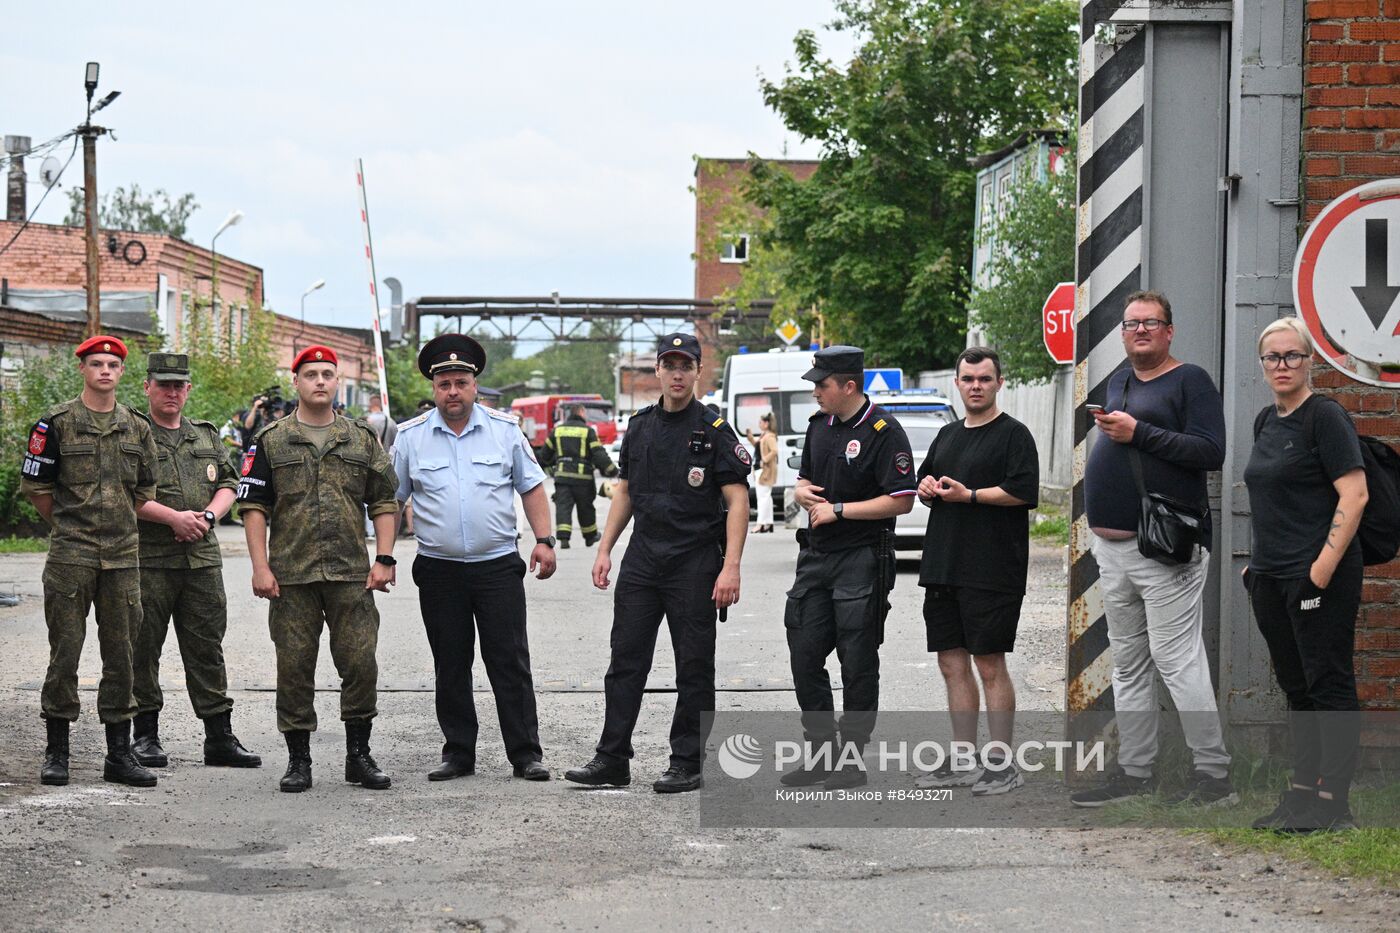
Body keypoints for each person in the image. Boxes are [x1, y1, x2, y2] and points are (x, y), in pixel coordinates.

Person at [565, 333, 750, 794]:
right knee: (625, 661)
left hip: (694, 561)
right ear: (658, 372)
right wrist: (605, 547)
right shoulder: (641, 426)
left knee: (693, 665)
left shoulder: (715, 429)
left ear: (697, 371)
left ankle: (687, 762)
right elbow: (625, 490)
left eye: (685, 365)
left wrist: (732, 568)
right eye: (669, 365)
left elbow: (737, 498)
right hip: (644, 560)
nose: (677, 373)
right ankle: (612, 759)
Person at [1072, 290, 1235, 809]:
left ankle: (1215, 776)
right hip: (1113, 548)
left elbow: (1211, 451)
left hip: (1166, 551)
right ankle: (1135, 771)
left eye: (1151, 322)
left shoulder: (1190, 381)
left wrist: (1139, 432)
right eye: (1132, 323)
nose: (1140, 330)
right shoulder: (1119, 380)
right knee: (1127, 663)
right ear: (1121, 333)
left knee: (1177, 660)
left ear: (1169, 331)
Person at [392, 334, 557, 782]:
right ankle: (458, 753)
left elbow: (532, 487)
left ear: (475, 385)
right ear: (433, 387)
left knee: (509, 661)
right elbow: (390, 501)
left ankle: (525, 753)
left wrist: (545, 539)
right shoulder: (410, 439)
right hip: (439, 569)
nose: (452, 391)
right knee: (450, 663)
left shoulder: (505, 432)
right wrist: (383, 556)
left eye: (460, 382)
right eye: (444, 383)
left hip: (497, 567)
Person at [237, 344, 401, 793]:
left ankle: (358, 755)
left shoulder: (360, 438)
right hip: (291, 576)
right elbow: (254, 507)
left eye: (328, 373)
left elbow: (385, 499)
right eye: (311, 374)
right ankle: (298, 760)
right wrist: (260, 567)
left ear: (337, 380)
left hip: (351, 573)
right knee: (293, 669)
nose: (321, 381)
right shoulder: (270, 440)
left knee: (360, 665)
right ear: (297, 383)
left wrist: (384, 558)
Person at [1244, 317, 1368, 832]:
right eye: (1273, 357)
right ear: (1262, 364)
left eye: (1292, 355)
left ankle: (1332, 802)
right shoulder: (1265, 421)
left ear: (1309, 360)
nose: (1282, 365)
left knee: (1328, 685)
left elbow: (1355, 493)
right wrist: (1257, 566)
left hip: (1317, 576)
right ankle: (1301, 794)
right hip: (1271, 577)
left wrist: (1320, 569)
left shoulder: (1325, 418)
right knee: (1297, 688)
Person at [20, 335, 161, 788]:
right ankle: (57, 751)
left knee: (122, 657)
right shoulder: (56, 425)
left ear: (122, 373)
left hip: (122, 558)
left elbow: (144, 491)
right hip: (71, 557)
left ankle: (119, 754)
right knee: (65, 653)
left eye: (113, 364)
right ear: (81, 368)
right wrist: (68, 526)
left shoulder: (137, 428)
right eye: (96, 363)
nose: (105, 370)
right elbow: (38, 490)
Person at [781, 346, 917, 790]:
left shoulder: (884, 431)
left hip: (862, 558)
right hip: (816, 558)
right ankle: (821, 754)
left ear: (849, 386)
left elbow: (901, 499)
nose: (815, 392)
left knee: (857, 661)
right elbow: (806, 481)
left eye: (822, 385)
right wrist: (800, 493)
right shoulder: (820, 426)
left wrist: (840, 510)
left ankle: (851, 760)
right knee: (804, 653)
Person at [913, 348, 1038, 796]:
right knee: (951, 664)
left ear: (999, 382)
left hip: (993, 569)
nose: (976, 386)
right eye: (968, 379)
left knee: (989, 664)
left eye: (984, 378)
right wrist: (927, 488)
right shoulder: (947, 435)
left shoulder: (1014, 435)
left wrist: (971, 496)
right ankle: (964, 758)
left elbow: (1022, 492)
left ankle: (1002, 763)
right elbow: (927, 487)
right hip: (944, 566)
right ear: (958, 383)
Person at [130, 353, 261, 770]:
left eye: (178, 386)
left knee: (207, 648)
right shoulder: (132, 434)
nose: (171, 392)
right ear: (147, 387)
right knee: (142, 649)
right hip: (149, 560)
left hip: (201, 561)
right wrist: (172, 518)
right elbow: (121, 491)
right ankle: (145, 737)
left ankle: (219, 737)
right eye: (163, 384)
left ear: (187, 390)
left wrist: (206, 517)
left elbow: (229, 482)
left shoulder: (204, 435)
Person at [538, 403, 617, 548]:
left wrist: (535, 469)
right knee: (585, 507)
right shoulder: (587, 431)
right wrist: (612, 470)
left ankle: (563, 539)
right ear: (581, 412)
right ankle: (590, 537)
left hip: (562, 477)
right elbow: (598, 453)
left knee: (563, 507)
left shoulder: (557, 431)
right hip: (583, 479)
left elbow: (544, 454)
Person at [745, 413, 779, 533]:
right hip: (761, 470)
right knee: (766, 497)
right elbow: (758, 448)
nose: (759, 424)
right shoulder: (764, 435)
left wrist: (764, 460)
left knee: (762, 498)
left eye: (760, 422)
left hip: (765, 470)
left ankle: (760, 523)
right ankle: (768, 523)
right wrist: (750, 438)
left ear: (766, 423)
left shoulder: (769, 436)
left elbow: (774, 451)